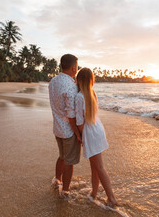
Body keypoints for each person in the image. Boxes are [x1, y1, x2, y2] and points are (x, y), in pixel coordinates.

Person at [75, 67, 118, 206]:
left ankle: (111, 198)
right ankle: (94, 193)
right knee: (94, 166)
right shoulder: (92, 93)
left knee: (99, 166)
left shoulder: (79, 97)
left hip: (89, 132)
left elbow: (79, 122)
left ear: (79, 80)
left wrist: (80, 137)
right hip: (97, 128)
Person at [48, 54, 82, 198]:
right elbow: (71, 115)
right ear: (74, 67)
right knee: (69, 162)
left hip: (57, 127)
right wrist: (78, 134)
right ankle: (65, 191)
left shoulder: (53, 81)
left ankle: (57, 180)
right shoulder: (71, 86)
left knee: (62, 156)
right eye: (77, 66)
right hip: (68, 131)